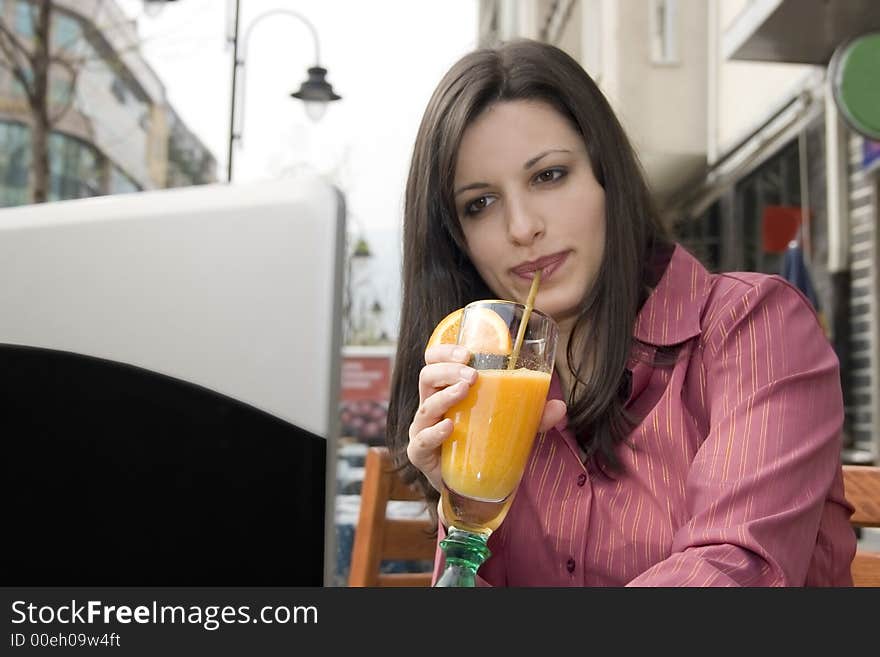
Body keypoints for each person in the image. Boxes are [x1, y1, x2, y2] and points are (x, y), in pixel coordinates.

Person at [386, 39, 856, 586]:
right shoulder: (494, 385)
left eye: (548, 175)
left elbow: (735, 567)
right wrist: (465, 512)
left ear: (606, 177)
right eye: (480, 203)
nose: (521, 227)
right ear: (457, 241)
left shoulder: (755, 325)